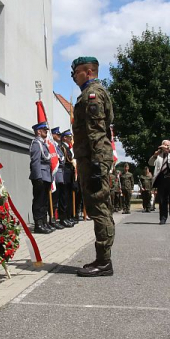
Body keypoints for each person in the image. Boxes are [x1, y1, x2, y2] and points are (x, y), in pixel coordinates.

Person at [70, 56, 115, 277]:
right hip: (92, 158)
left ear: (88, 72)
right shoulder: (92, 93)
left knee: (99, 209)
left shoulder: (92, 95)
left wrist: (97, 165)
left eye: (76, 71)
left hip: (94, 159)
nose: (73, 76)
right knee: (101, 208)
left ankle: (104, 262)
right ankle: (102, 259)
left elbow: (97, 132)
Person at [149, 139, 170, 225]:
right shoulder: (159, 155)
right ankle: (163, 218)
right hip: (161, 180)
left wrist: (169, 150)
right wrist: (154, 155)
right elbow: (150, 163)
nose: (165, 147)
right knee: (162, 200)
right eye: (164, 145)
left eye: (167, 145)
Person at [30, 122, 53, 234]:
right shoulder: (36, 144)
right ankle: (38, 224)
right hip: (40, 176)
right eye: (44, 129)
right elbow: (35, 162)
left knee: (44, 201)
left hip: (46, 176)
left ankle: (44, 222)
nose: (46, 131)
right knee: (39, 201)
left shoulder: (43, 144)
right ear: (38, 131)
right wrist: (37, 177)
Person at [49, 127, 67, 230]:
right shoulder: (52, 146)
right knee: (54, 199)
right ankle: (52, 219)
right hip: (55, 175)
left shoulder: (58, 146)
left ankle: (57, 218)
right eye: (58, 135)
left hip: (60, 175)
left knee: (59, 197)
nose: (59, 137)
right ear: (53, 135)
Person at [59, 130, 77, 226]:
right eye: (69, 137)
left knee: (69, 196)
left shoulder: (68, 148)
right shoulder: (62, 147)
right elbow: (65, 160)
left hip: (69, 174)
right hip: (65, 173)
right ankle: (63, 218)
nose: (71, 139)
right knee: (64, 197)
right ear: (64, 138)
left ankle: (68, 216)